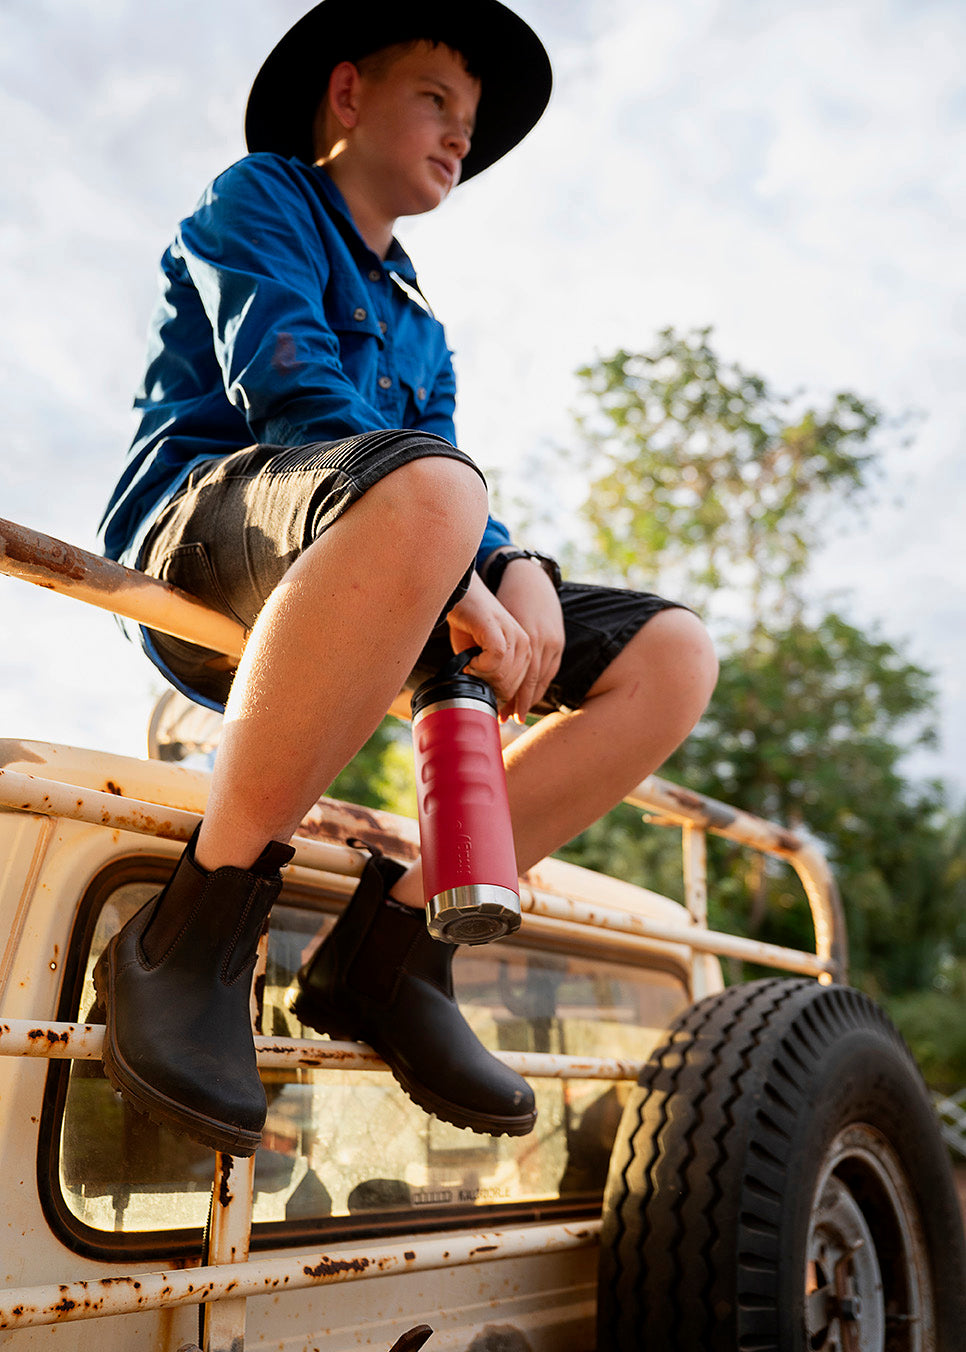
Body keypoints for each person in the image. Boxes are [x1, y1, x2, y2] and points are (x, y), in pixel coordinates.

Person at [95, 0, 718, 1158]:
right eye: (437, 99)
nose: (457, 139)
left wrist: (515, 566)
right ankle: (194, 927)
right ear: (347, 96)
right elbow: (292, 390)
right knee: (435, 491)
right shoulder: (261, 196)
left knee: (672, 653)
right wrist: (458, 558)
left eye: (469, 125)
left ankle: (392, 951)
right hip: (212, 537)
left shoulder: (422, 317)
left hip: (392, 550)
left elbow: (442, 468)